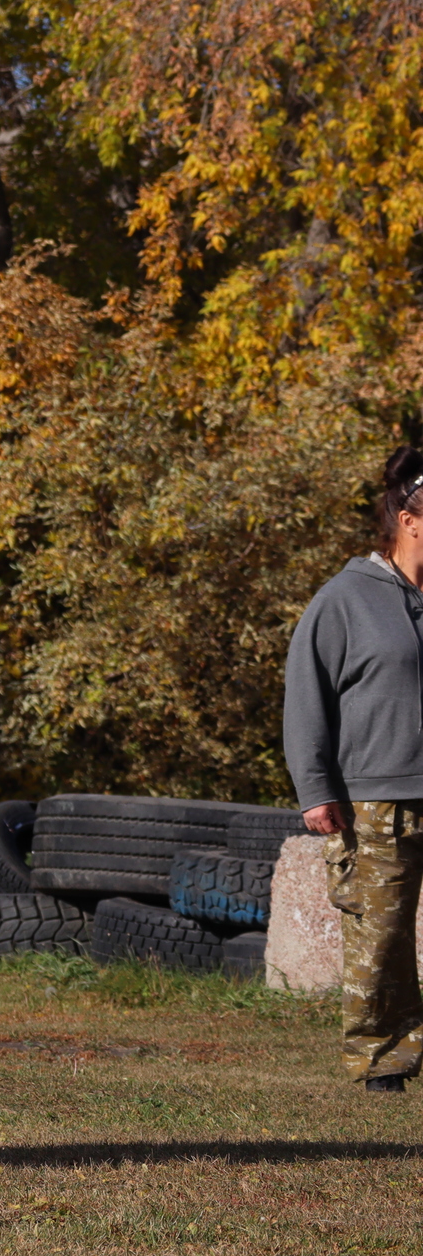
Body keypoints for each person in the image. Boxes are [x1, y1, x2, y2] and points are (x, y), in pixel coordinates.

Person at [284, 443, 423, 1092]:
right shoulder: (345, 599)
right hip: (377, 797)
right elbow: (306, 694)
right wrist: (316, 788)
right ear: (409, 517)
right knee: (382, 937)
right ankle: (380, 1058)